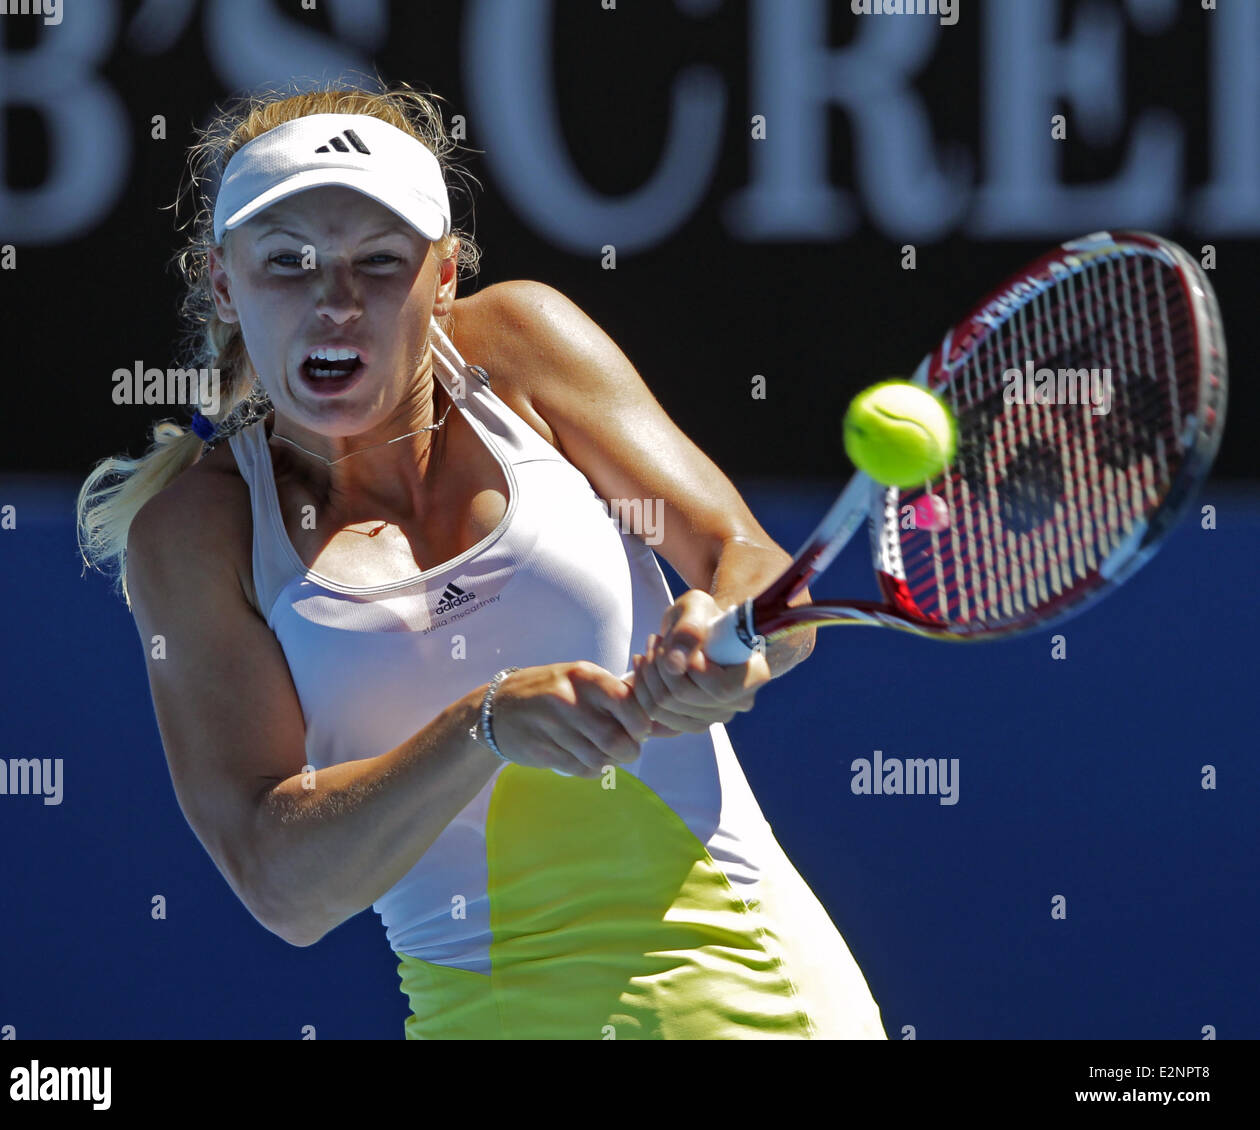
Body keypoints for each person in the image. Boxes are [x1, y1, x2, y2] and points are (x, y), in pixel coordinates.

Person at [77, 80, 887, 1040]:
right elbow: (280, 886)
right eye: (287, 262)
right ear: (223, 281)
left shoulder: (523, 346)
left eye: (379, 263)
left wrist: (734, 647)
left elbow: (741, 555)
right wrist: (482, 725)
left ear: (446, 275)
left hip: (766, 1001)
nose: (335, 303)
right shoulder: (194, 532)